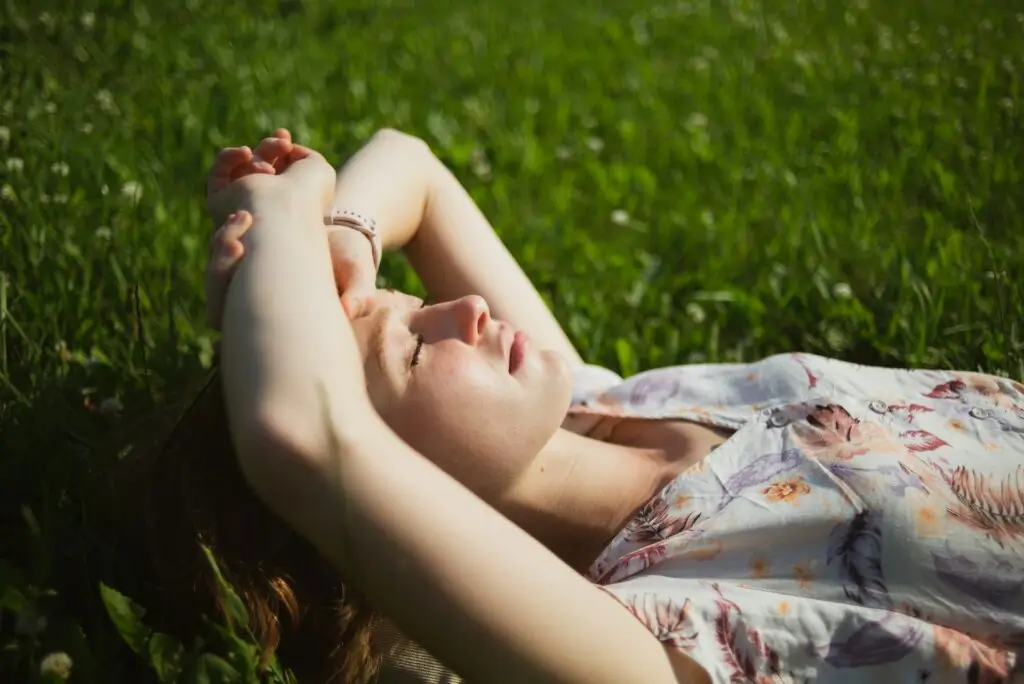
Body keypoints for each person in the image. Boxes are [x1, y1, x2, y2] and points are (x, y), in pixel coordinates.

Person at [134, 128, 1024, 684]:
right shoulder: (654, 630)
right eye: (412, 348)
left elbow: (414, 166)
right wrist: (276, 218)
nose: (464, 310)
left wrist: (340, 249)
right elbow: (300, 434)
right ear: (396, 496)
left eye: (418, 303)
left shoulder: (605, 399)